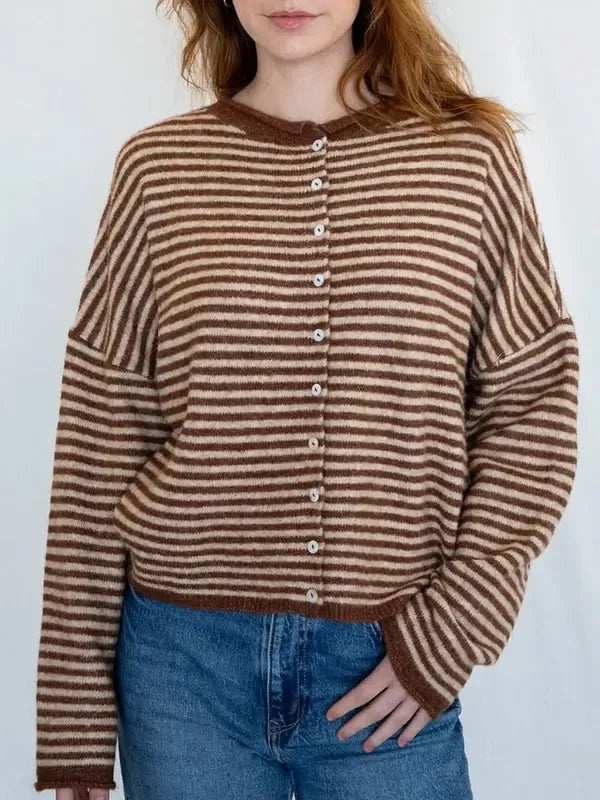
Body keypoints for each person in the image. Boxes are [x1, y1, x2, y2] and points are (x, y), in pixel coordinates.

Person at [34, 0, 580, 798]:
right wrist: (73, 722)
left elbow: (532, 403)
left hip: (389, 661)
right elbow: (99, 435)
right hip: (179, 670)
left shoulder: (466, 161)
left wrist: (456, 625)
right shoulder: (159, 171)